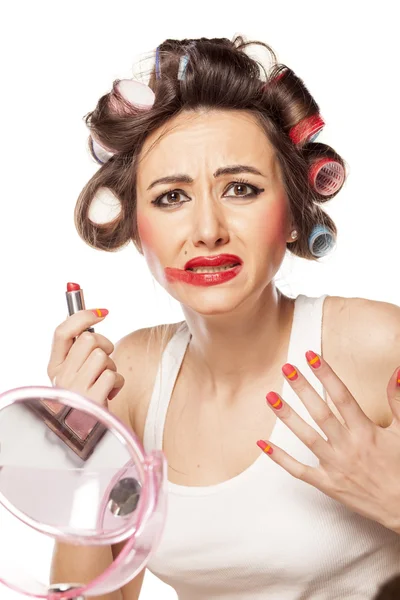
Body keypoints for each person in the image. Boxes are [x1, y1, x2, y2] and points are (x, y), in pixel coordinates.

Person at [47, 36, 400, 600]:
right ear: (136, 230)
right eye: (170, 198)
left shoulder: (377, 348)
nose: (207, 229)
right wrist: (81, 450)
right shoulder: (131, 379)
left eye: (241, 188)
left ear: (293, 214)